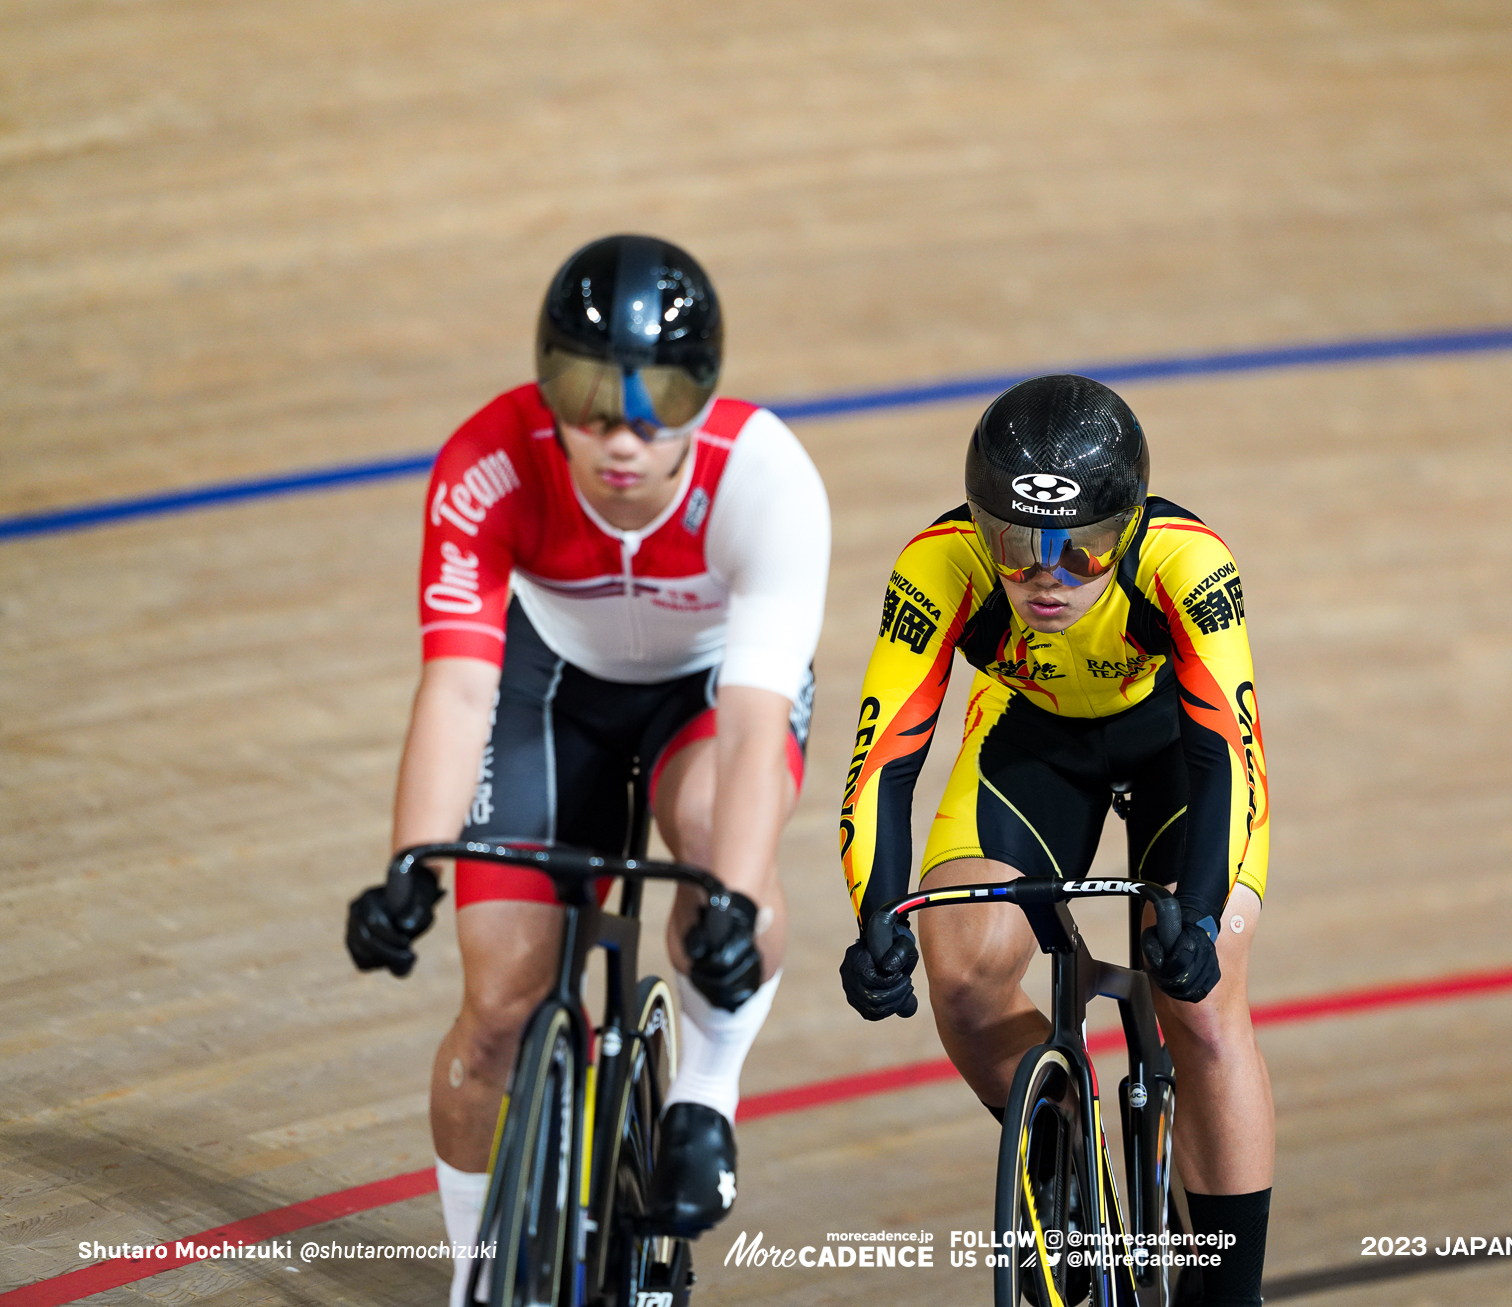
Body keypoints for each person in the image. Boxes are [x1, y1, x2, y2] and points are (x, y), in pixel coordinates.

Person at [344, 234, 828, 1306]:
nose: (620, 438)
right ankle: (480, 1274)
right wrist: (409, 868)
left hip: (709, 694)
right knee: (498, 1008)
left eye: (653, 404)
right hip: (547, 686)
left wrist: (735, 905)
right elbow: (461, 689)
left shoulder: (766, 480)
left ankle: (705, 1090)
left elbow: (753, 728)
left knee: (714, 851)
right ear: (544, 382)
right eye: (586, 399)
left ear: (703, 396)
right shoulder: (487, 463)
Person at [836, 374, 1273, 1305]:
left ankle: (1230, 1297)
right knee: (957, 967)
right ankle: (1067, 1171)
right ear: (979, 525)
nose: (1044, 577)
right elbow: (885, 750)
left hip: (1179, 752)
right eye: (1017, 546)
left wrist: (1195, 921)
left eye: (1080, 551)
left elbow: (1226, 754)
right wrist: (875, 913)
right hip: (1032, 740)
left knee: (1199, 1004)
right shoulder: (938, 565)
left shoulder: (1189, 564)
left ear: (1131, 524)